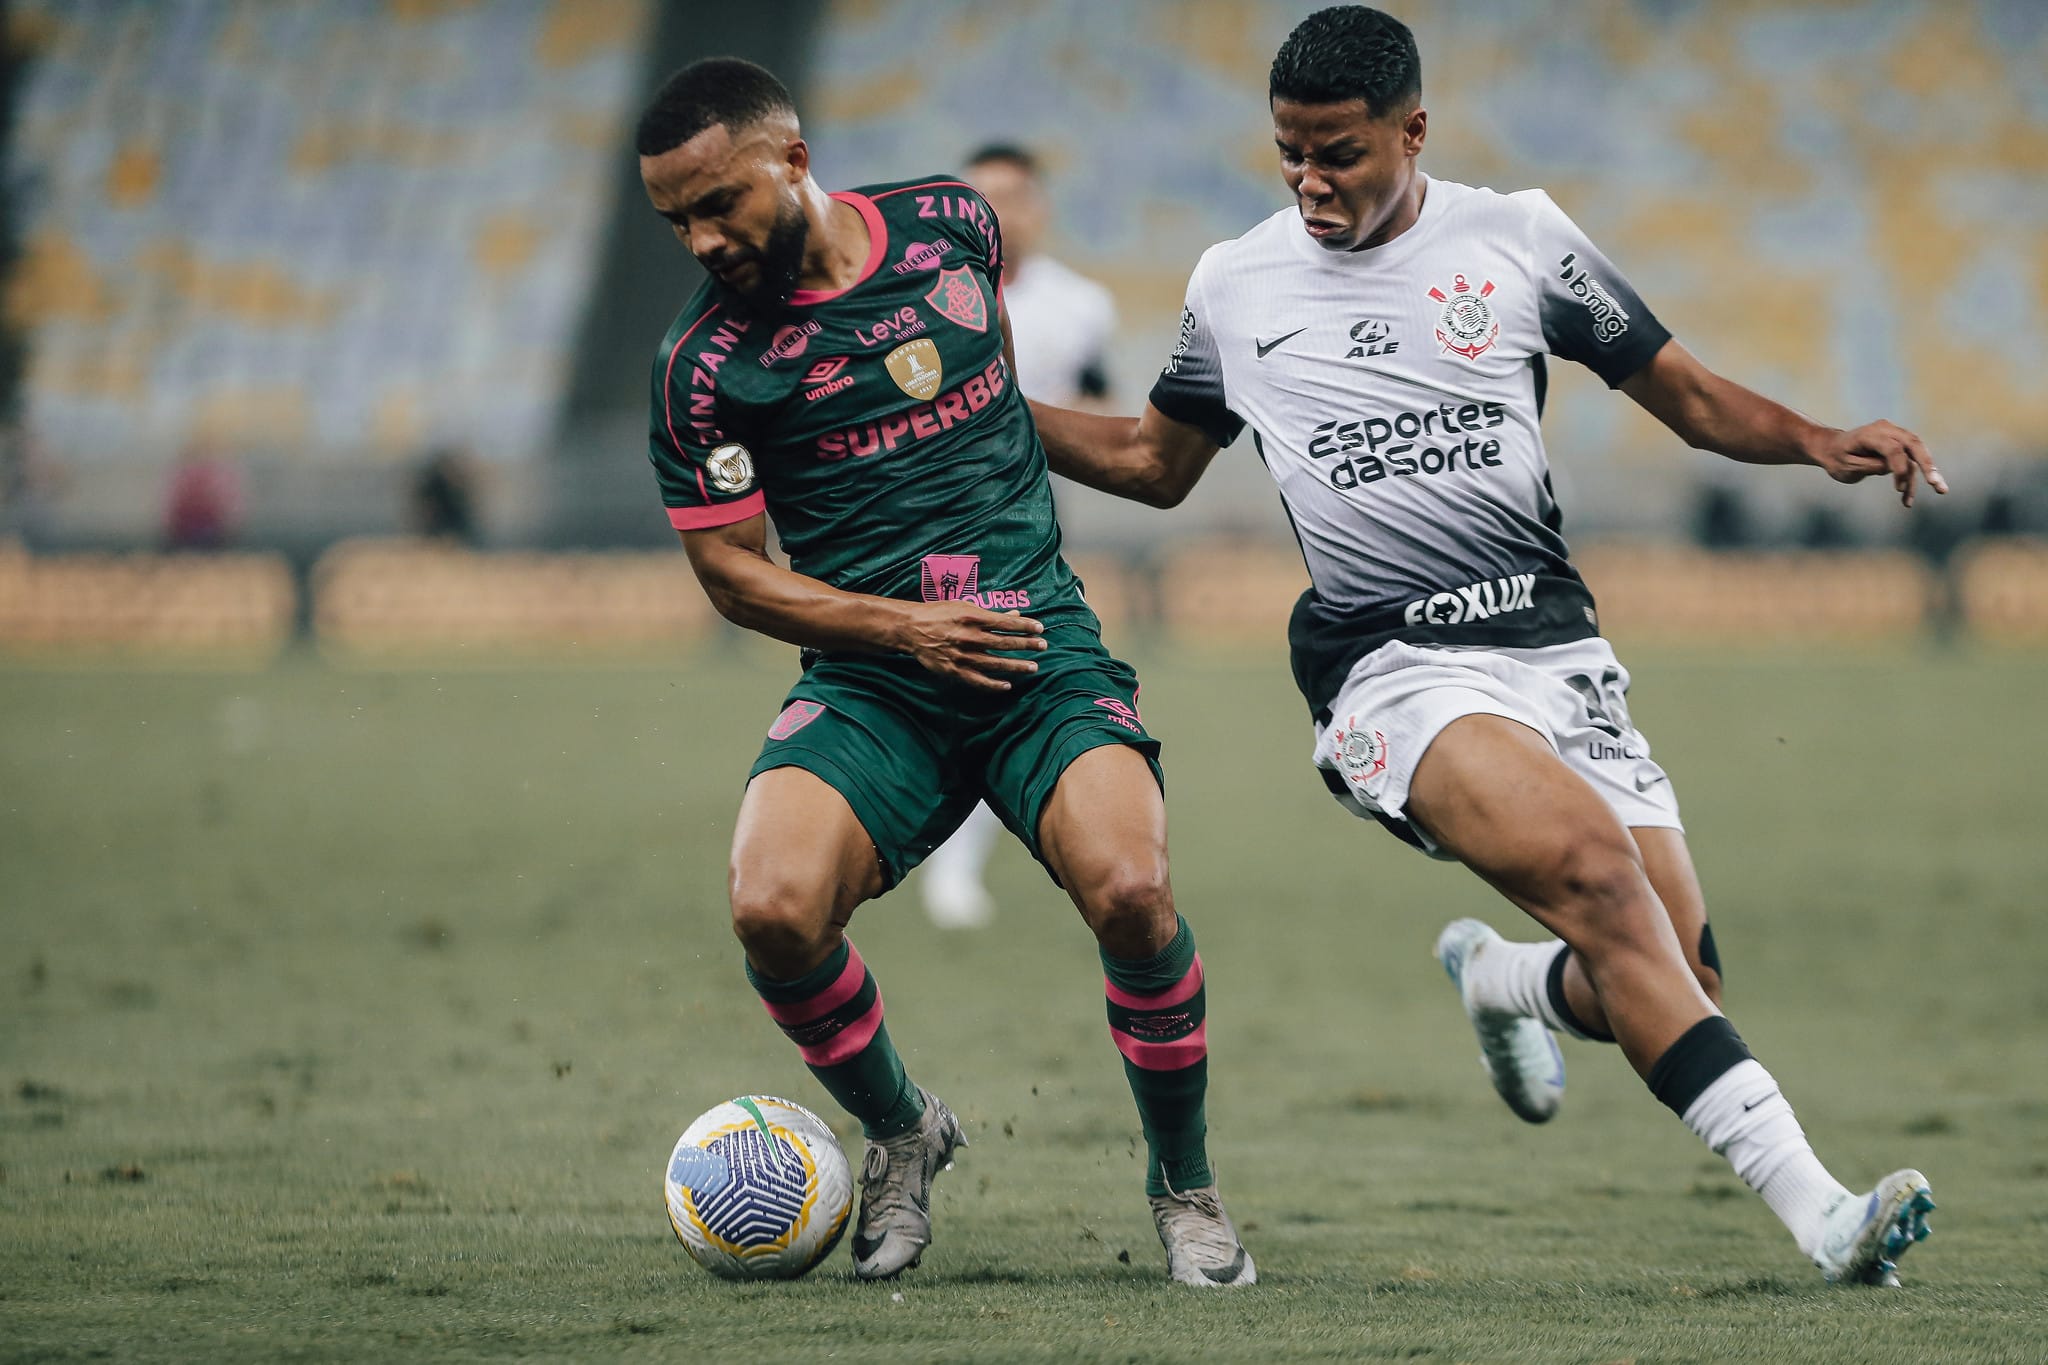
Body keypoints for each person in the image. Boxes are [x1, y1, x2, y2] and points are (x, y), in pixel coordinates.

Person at [1030, 6, 1941, 1287]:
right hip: (1385, 666)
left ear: (1412, 132)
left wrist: (1817, 439)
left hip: (1552, 647)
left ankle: (1506, 983)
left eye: (1336, 152)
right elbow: (1152, 464)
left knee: (1676, 975)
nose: (1308, 181)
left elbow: (1684, 397)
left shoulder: (1516, 238)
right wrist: (989, 411)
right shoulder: (1233, 283)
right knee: (1599, 880)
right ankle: (1826, 1219)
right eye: (1287, 152)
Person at [634, 58, 1252, 1287]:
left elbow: (995, 404)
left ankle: (1182, 1186)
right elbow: (735, 578)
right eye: (676, 222)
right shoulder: (700, 368)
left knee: (1132, 890)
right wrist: (903, 630)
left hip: (1036, 648)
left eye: (718, 205)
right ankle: (906, 1130)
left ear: (793, 163)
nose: (701, 240)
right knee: (770, 909)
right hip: (878, 680)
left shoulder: (946, 226)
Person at [917, 143, 1121, 931]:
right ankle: (942, 853)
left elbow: (1098, 399)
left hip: (1032, 529)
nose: (996, 212)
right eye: (981, 196)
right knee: (962, 685)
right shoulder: (921, 299)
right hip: (933, 525)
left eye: (1012, 196)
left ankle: (965, 860)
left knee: (1003, 684)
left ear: (1038, 207)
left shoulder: (1083, 304)